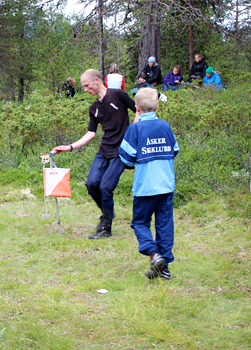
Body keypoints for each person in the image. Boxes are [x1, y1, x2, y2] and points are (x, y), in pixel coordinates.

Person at [54, 69, 136, 239]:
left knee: (106, 187)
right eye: (82, 86)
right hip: (104, 150)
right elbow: (91, 133)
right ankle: (108, 213)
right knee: (91, 184)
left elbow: (139, 110)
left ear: (96, 80)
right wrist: (70, 146)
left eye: (86, 85)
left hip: (120, 152)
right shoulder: (93, 108)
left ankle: (106, 229)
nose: (84, 89)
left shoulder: (118, 95)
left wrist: (133, 132)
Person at [119, 87, 179, 280]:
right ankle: (164, 268)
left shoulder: (134, 129)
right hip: (166, 185)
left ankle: (154, 255)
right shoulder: (165, 126)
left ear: (136, 108)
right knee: (164, 225)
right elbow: (175, 150)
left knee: (140, 222)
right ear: (157, 106)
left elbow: (126, 159)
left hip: (145, 188)